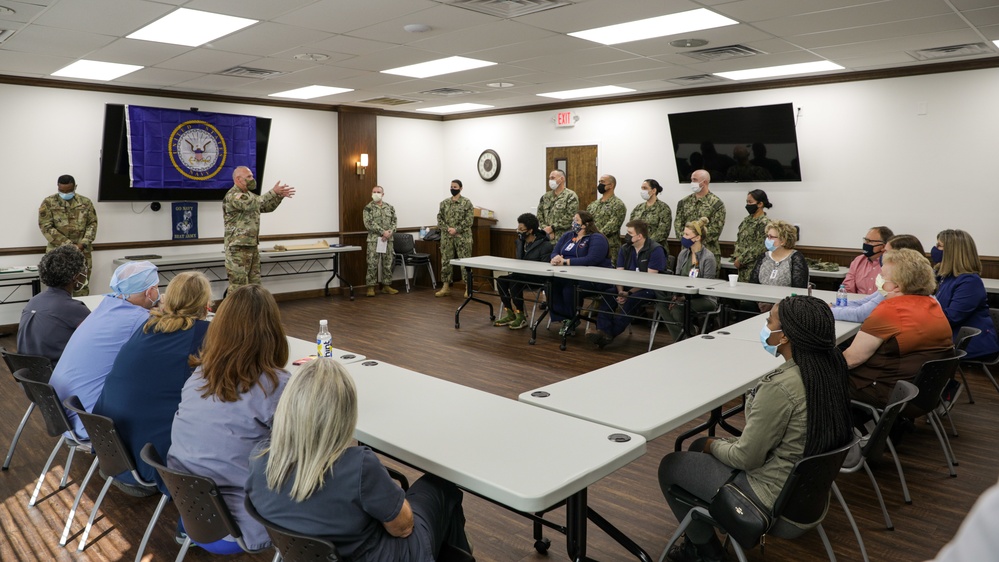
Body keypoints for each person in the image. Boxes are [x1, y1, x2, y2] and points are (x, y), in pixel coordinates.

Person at [658, 296, 853, 562]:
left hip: (774, 503)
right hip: (808, 500)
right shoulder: (831, 368)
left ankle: (707, 553)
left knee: (672, 464)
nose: (765, 325)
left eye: (769, 321)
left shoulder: (782, 386)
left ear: (785, 337)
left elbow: (746, 458)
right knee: (698, 448)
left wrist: (712, 444)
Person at [245, 358, 473, 562]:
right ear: (344, 414)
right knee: (441, 486)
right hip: (387, 555)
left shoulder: (258, 461)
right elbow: (403, 528)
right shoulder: (358, 466)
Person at [167, 284, 290, 553]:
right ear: (273, 331)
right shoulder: (276, 386)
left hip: (193, 516)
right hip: (242, 527)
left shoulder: (198, 377)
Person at [93, 272, 211, 492]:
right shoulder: (202, 335)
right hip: (150, 462)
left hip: (112, 451)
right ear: (205, 304)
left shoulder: (147, 326)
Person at [49, 261, 160, 439]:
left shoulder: (105, 306)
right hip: (93, 424)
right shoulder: (138, 320)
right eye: (156, 287)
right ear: (150, 292)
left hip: (61, 414)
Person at [843, 248, 954, 408]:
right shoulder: (933, 305)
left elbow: (851, 360)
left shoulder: (890, 310)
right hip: (921, 393)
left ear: (897, 285)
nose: (878, 278)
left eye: (882, 275)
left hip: (886, 393)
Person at [588, 220, 667, 348]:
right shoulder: (625, 249)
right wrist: (621, 291)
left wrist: (628, 293)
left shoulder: (655, 249)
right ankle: (602, 330)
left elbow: (650, 280)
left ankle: (608, 334)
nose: (627, 235)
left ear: (639, 236)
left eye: (630, 233)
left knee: (632, 300)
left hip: (649, 288)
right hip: (626, 287)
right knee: (609, 294)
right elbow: (619, 273)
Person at [223, 166, 295, 291]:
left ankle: (254, 311)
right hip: (237, 248)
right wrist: (273, 192)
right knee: (238, 287)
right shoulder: (233, 195)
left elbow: (266, 207)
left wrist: (279, 196)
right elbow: (253, 203)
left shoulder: (250, 195)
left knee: (254, 285)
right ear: (238, 179)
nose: (252, 179)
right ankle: (234, 311)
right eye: (249, 177)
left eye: (252, 176)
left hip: (252, 246)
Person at [16, 245, 90, 365]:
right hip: (59, 375)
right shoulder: (75, 309)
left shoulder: (34, 301)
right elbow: (96, 342)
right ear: (75, 277)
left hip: (31, 375)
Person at [934, 229, 999, 360]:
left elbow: (951, 317)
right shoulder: (944, 276)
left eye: (939, 246)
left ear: (953, 252)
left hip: (970, 344)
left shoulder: (970, 282)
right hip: (947, 338)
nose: (935, 249)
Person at [833, 234, 925, 323]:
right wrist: (834, 306)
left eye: (886, 252)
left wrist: (827, 311)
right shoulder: (911, 279)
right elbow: (865, 302)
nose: (882, 254)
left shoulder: (897, 286)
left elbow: (860, 314)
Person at [548, 211, 611, 337]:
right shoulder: (568, 235)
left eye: (576, 220)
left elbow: (592, 259)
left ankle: (571, 319)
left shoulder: (597, 238)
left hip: (593, 279)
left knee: (569, 288)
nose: (573, 222)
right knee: (550, 284)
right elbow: (554, 252)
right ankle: (565, 317)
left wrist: (565, 262)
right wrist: (555, 258)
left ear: (585, 224)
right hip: (567, 275)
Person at [38, 174, 97, 296]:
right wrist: (69, 245)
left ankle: (80, 314)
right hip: (57, 253)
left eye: (69, 191)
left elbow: (92, 224)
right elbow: (46, 227)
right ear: (58, 187)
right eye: (61, 190)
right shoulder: (48, 202)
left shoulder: (85, 202)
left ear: (75, 187)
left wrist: (83, 243)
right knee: (56, 289)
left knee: (81, 287)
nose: (65, 193)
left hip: (82, 252)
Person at [660, 217, 718, 342]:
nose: (683, 237)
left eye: (687, 234)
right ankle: (688, 333)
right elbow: (677, 278)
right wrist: (676, 296)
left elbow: (707, 287)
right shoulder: (683, 254)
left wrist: (683, 298)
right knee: (661, 303)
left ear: (697, 238)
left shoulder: (708, 257)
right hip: (683, 297)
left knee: (678, 309)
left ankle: (683, 338)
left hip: (704, 298)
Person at [494, 213, 553, 330]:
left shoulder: (545, 245)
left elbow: (545, 267)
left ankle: (521, 316)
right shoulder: (520, 242)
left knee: (514, 282)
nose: (518, 231)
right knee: (501, 280)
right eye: (518, 228)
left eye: (521, 229)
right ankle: (510, 313)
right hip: (521, 274)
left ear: (530, 230)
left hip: (537, 278)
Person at [435, 179, 474, 298]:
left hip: (462, 237)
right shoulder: (444, 203)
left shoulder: (466, 202)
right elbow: (439, 219)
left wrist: (456, 229)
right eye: (451, 186)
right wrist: (448, 229)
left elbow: (469, 220)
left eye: (455, 187)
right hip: (447, 237)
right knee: (446, 261)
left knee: (465, 263)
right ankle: (445, 287)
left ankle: (468, 288)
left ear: (461, 188)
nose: (453, 188)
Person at [674, 170, 725, 258]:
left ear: (704, 182)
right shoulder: (683, 202)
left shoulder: (716, 204)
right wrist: (686, 238)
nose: (692, 183)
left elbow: (715, 230)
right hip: (687, 252)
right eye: (691, 180)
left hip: (707, 252)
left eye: (694, 180)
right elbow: (678, 224)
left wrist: (695, 239)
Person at [749, 219, 809, 289]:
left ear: (783, 241)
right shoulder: (764, 257)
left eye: (771, 237)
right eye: (767, 236)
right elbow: (753, 284)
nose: (767, 240)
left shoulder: (796, 258)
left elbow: (799, 289)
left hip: (786, 299)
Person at [362, 185, 399, 297]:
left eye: (378, 192)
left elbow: (394, 222)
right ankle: (371, 287)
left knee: (387, 263)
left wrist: (389, 232)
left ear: (383, 194)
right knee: (372, 263)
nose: (376, 194)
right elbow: (368, 223)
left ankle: (386, 286)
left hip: (388, 240)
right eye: (374, 192)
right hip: (374, 240)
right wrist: (383, 232)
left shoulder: (390, 207)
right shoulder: (368, 208)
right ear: (371, 193)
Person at [732, 189, 772, 283]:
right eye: (747, 202)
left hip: (754, 266)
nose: (747, 205)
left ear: (760, 204)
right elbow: (739, 240)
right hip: (741, 267)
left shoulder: (765, 223)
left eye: (750, 202)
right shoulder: (747, 220)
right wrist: (737, 257)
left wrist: (741, 260)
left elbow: (760, 247)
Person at [843, 226, 894, 295]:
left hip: (883, 304)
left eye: (870, 241)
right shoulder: (858, 261)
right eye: (865, 240)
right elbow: (848, 289)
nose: (866, 244)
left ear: (883, 246)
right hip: (859, 304)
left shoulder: (892, 264)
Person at [586, 174, 627, 261]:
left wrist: (595, 236)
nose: (600, 184)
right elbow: (586, 221)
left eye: (603, 182)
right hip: (591, 244)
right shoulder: (593, 205)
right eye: (599, 182)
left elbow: (613, 226)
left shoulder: (618, 205)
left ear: (611, 185)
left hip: (609, 246)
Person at [537, 169, 579, 242]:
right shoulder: (546, 196)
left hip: (563, 238)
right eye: (549, 178)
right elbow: (539, 214)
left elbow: (570, 217)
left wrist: (552, 228)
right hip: (546, 237)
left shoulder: (570, 196)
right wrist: (546, 229)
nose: (550, 181)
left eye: (552, 178)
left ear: (561, 179)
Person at [630, 179, 672, 248]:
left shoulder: (663, 208)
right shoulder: (638, 207)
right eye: (642, 188)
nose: (643, 191)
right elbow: (631, 226)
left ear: (653, 190)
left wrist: (644, 243)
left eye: (645, 188)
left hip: (655, 248)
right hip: (637, 247)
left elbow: (663, 232)